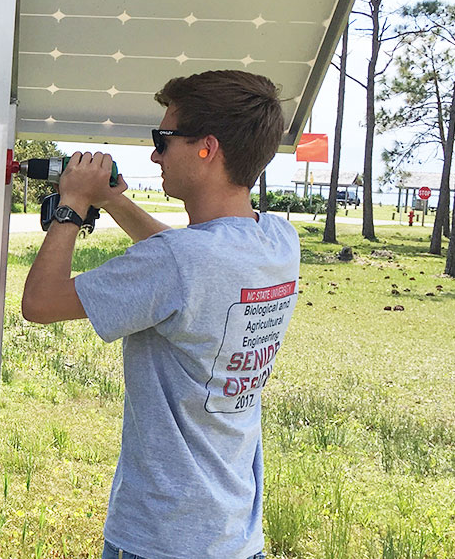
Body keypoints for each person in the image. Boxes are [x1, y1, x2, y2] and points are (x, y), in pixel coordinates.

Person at [20, 71, 299, 559]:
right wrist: (111, 198)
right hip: (232, 534)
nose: (154, 154)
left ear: (206, 147)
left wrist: (73, 204)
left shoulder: (178, 263)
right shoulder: (277, 240)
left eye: (163, 139)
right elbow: (184, 263)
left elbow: (39, 304)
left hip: (161, 537)